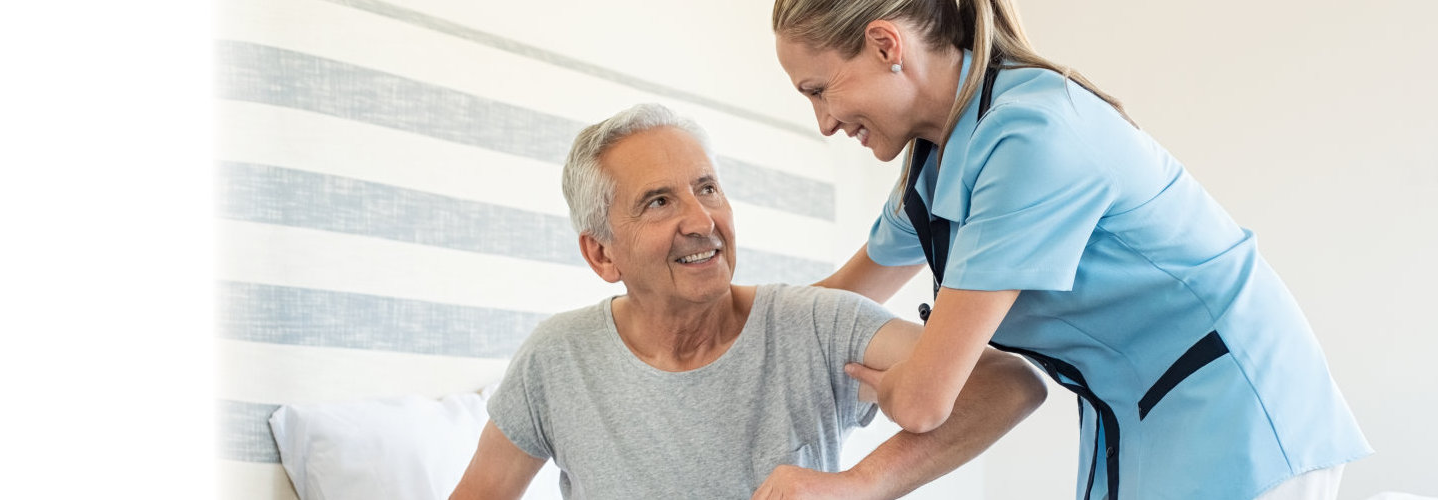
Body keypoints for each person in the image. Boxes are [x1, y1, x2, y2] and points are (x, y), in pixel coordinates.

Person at [771, 1, 1373, 499]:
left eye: (819, 90)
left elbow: (926, 400)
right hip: (1133, 414)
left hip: (1236, 410)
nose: (824, 121)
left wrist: (896, 383)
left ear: (885, 46)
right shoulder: (935, 162)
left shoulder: (1032, 134)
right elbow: (835, 300)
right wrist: (708, 320)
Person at [448, 103, 1046, 500]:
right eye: (658, 202)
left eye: (707, 188)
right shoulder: (557, 359)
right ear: (602, 254)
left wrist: (862, 484)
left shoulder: (814, 324)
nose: (701, 219)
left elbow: (1007, 385)